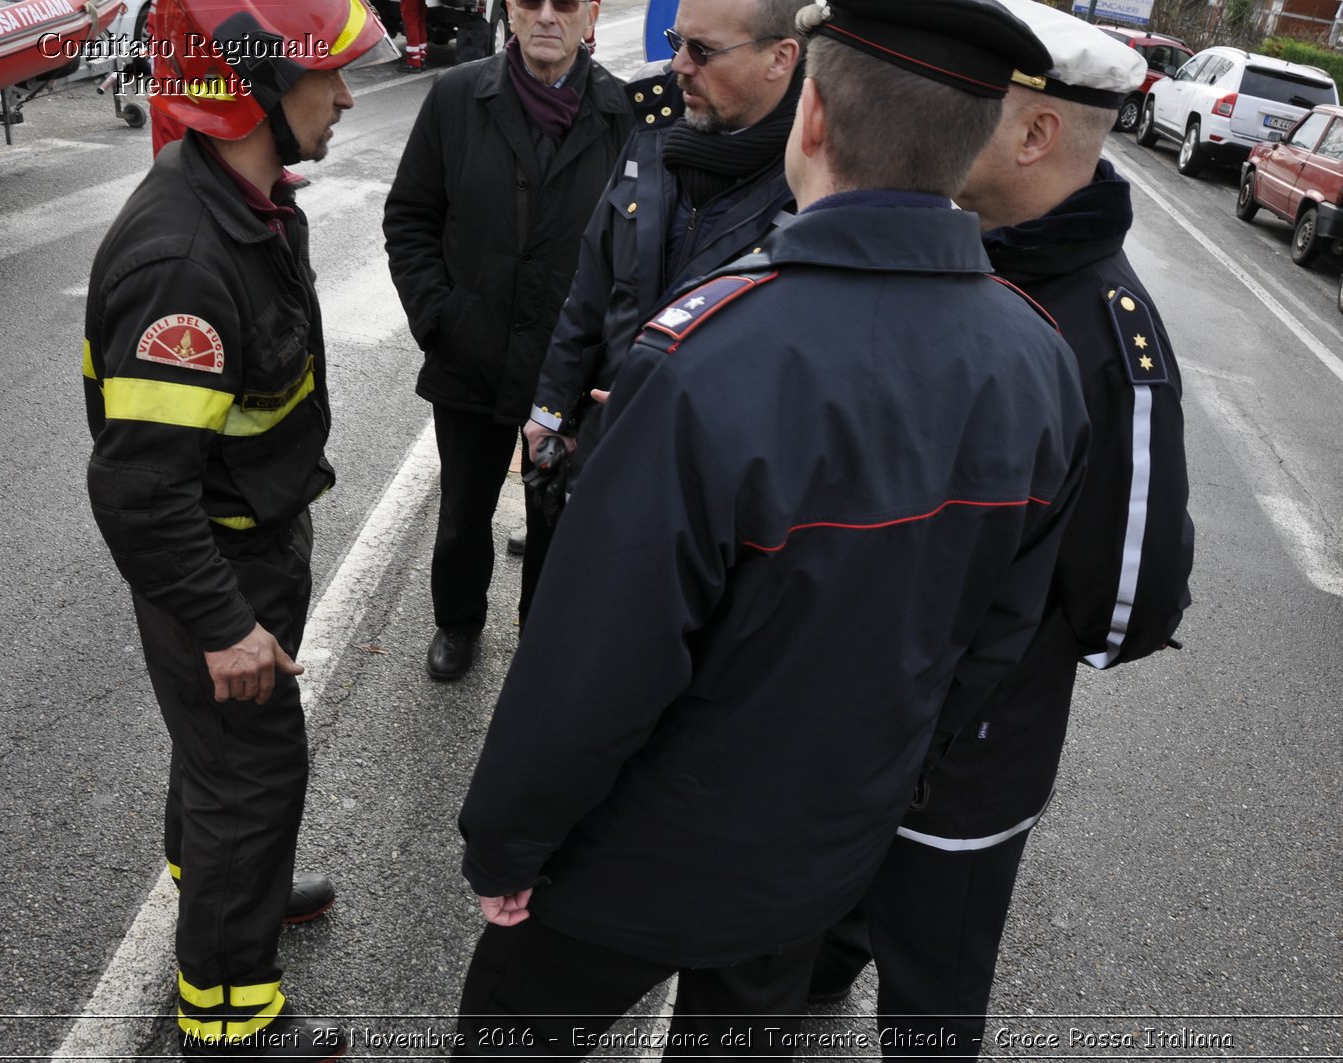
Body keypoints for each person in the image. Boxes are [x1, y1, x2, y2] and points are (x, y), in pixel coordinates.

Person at [452, 0, 1090, 1055]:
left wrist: (507, 843)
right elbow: (990, 644)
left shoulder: (705, 358)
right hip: (819, 854)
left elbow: (593, 665)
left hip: (631, 860)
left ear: (812, 118)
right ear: (975, 142)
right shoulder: (1037, 360)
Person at [805, 1, 1195, 1053]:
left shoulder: (1106, 337)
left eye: (977, 95)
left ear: (1032, 134)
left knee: (931, 989)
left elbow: (1129, 598)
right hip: (845, 727)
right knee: (814, 936)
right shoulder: (931, 248)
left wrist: (995, 667)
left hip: (968, 763)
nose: (939, 106)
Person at [81, 1, 392, 1058]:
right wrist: (224, 625)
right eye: (328, 76)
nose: (347, 96)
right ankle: (228, 1019)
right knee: (251, 777)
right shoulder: (185, 262)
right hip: (216, 564)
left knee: (225, 771)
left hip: (251, 536)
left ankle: (226, 877)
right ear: (252, 87)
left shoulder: (245, 200)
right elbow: (139, 492)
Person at [383, 0, 631, 682]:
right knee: (463, 512)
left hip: (570, 371)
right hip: (473, 357)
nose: (547, 15)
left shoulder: (623, 114)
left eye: (566, 2)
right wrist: (442, 318)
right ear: (509, 12)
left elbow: (640, 247)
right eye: (529, 0)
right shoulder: (459, 96)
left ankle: (541, 643)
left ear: (592, 14)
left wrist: (611, 352)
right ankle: (458, 621)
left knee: (556, 516)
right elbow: (410, 218)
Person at [519, 0, 807, 506]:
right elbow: (593, 286)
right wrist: (552, 415)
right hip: (598, 446)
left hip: (711, 487)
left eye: (703, 50)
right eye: (677, 43)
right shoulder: (654, 129)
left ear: (780, 58)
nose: (678, 66)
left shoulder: (816, 178)